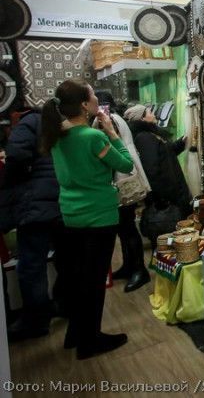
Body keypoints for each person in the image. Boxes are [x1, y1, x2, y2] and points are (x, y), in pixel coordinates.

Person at [40, 79, 133, 360]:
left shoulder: (57, 136)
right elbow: (126, 164)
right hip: (99, 216)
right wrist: (111, 133)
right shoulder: (93, 137)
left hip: (71, 215)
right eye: (92, 95)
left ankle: (76, 334)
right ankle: (90, 341)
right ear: (83, 104)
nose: (95, 100)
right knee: (93, 281)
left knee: (79, 278)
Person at [0, 109, 66, 341]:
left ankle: (37, 319)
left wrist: (14, 180)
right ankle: (64, 303)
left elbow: (16, 155)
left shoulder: (29, 121)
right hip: (61, 199)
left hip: (35, 204)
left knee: (31, 265)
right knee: (65, 258)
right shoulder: (57, 121)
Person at [94, 91, 151, 293]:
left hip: (122, 176)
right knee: (125, 227)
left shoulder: (107, 119)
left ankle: (139, 270)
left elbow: (109, 147)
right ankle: (130, 266)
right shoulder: (115, 117)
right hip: (124, 173)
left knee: (127, 227)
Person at [124, 104, 192, 247]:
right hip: (167, 198)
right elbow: (152, 170)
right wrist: (163, 198)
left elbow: (167, 152)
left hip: (171, 194)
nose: (153, 114)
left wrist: (182, 141)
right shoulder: (144, 138)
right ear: (142, 118)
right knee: (168, 239)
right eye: (149, 112)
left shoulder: (151, 135)